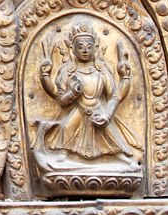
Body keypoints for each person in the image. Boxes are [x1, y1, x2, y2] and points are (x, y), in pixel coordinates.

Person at [40, 25, 138, 163]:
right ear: (72, 50)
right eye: (80, 47)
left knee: (111, 135)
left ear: (95, 48)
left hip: (99, 110)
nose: (85, 50)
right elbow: (61, 100)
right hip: (79, 110)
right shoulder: (68, 72)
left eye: (88, 46)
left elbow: (114, 96)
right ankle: (63, 154)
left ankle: (123, 158)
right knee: (66, 129)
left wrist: (107, 115)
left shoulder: (102, 71)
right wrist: (73, 94)